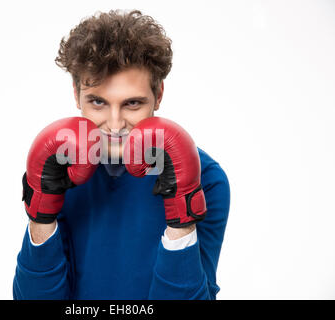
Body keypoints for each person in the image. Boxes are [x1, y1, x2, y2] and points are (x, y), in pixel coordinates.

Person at [13, 9, 230, 300]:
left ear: (159, 95)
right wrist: (41, 212)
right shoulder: (60, 165)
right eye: (98, 102)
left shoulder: (206, 178)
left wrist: (182, 220)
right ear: (76, 94)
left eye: (132, 104)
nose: (115, 125)